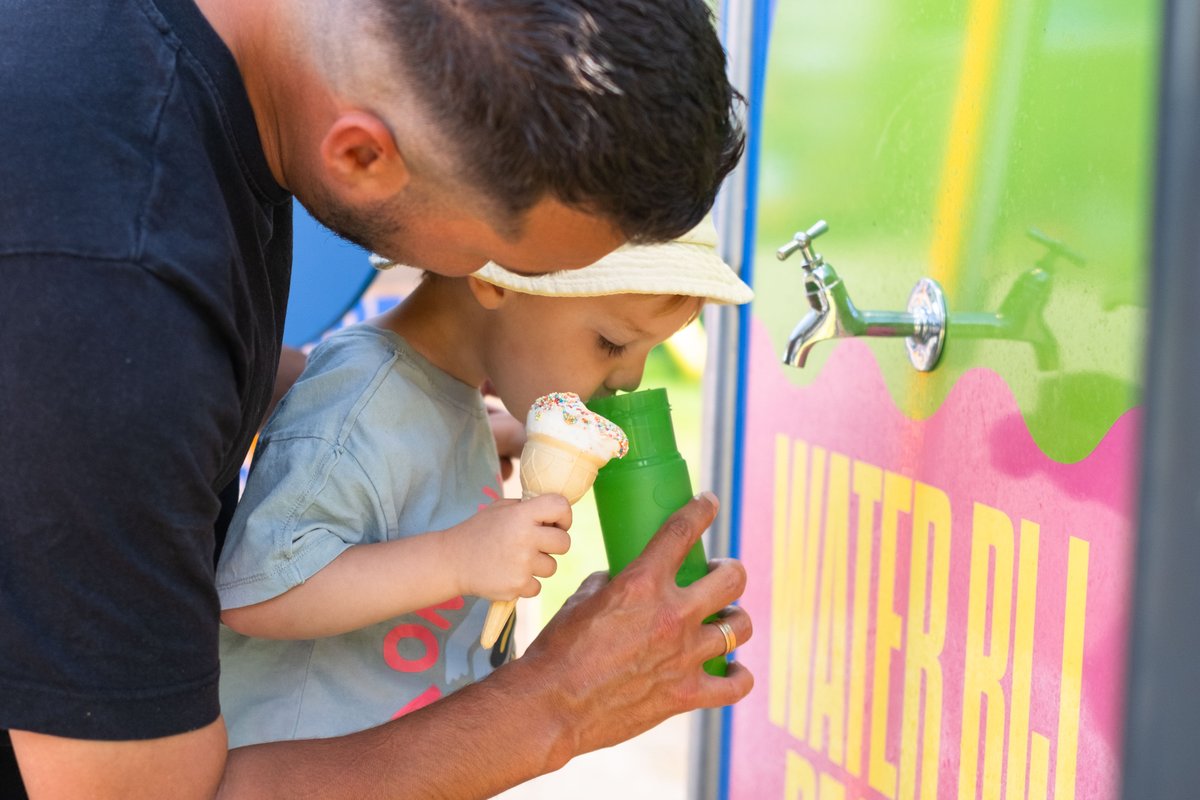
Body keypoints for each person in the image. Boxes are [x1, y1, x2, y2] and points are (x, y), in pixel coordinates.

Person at [0, 0, 753, 797]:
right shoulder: (110, 294)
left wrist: (413, 422)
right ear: (361, 155)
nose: (627, 377)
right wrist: (560, 702)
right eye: (516, 263)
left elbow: (183, 379)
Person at [216, 219, 753, 748]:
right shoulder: (356, 398)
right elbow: (255, 590)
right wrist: (456, 559)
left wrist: (500, 437)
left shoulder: (444, 392)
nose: (630, 378)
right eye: (612, 344)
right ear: (496, 278)